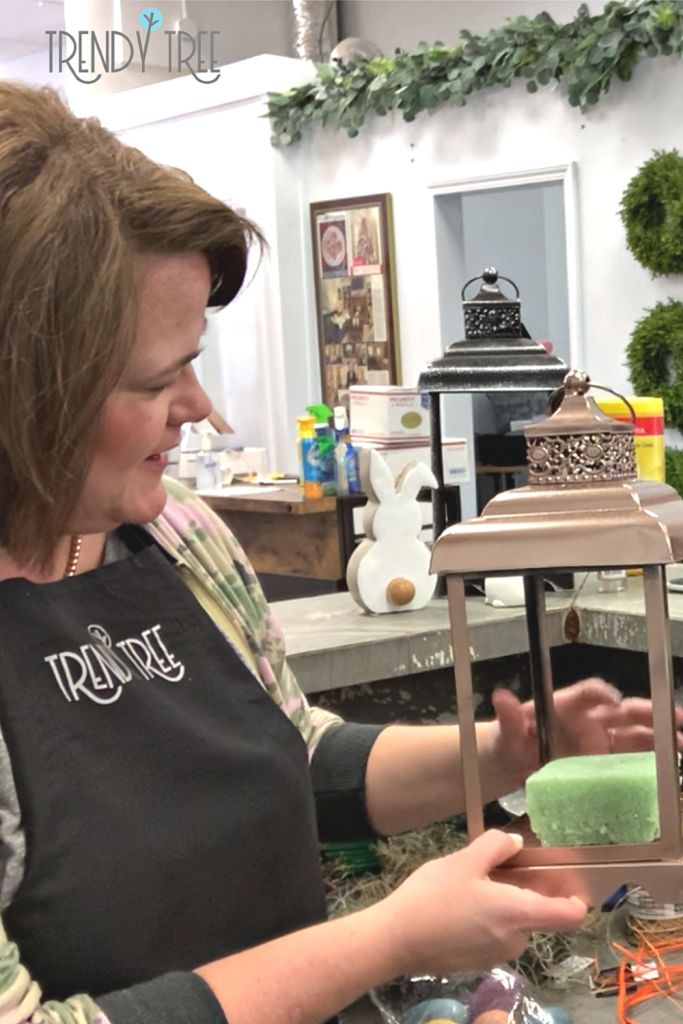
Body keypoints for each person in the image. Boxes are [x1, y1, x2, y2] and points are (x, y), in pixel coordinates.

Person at [0, 82, 673, 1024]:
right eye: (158, 378)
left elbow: (290, 757)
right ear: (26, 396)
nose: (204, 410)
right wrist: (389, 936)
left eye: (196, 361)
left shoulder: (177, 531)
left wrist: (503, 753)